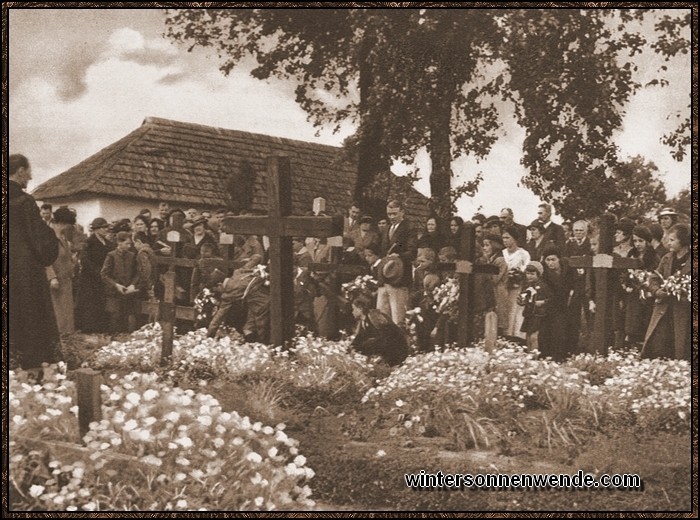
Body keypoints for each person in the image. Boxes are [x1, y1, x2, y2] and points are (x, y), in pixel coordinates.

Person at [9, 154, 61, 370]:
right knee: (30, 320)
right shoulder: (25, 201)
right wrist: (52, 234)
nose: (30, 177)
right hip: (24, 274)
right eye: (28, 171)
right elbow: (40, 242)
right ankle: (30, 368)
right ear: (20, 170)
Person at [641, 224, 691, 360]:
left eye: (672, 240)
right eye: (668, 240)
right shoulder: (667, 258)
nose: (668, 243)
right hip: (664, 308)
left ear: (683, 241)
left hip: (684, 310)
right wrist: (657, 291)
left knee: (682, 343)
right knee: (660, 343)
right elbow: (654, 278)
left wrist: (685, 290)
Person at [377, 199, 417, 327]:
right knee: (382, 316)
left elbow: (412, 252)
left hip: (400, 279)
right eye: (389, 214)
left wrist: (398, 256)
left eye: (394, 214)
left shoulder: (409, 228)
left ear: (402, 212)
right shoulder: (387, 228)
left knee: (398, 317)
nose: (391, 217)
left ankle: (400, 346)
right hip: (384, 278)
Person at [351, 294, 409, 367]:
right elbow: (360, 336)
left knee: (369, 344)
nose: (352, 312)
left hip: (397, 349)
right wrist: (352, 347)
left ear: (360, 308)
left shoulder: (374, 316)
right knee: (362, 345)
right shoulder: (364, 321)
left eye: (353, 309)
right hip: (389, 345)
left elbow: (388, 336)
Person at [46, 207, 78, 336]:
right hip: (56, 282)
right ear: (63, 223)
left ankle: (68, 340)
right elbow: (46, 259)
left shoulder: (63, 238)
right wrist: (52, 277)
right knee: (58, 314)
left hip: (66, 280)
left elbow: (65, 257)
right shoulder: (50, 236)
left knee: (67, 314)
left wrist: (73, 262)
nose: (70, 228)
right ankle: (60, 340)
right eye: (69, 225)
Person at [101, 231, 139, 334]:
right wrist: (116, 285)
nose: (129, 246)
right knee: (114, 317)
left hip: (128, 293)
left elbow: (137, 273)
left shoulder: (132, 256)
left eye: (130, 243)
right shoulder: (111, 255)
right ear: (119, 243)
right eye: (127, 243)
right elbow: (104, 275)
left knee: (128, 318)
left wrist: (132, 285)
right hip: (114, 293)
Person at [501, 226, 530, 341]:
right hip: (503, 288)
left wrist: (518, 275)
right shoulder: (502, 253)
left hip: (517, 287)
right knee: (505, 312)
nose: (505, 240)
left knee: (516, 311)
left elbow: (527, 270)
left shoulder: (523, 254)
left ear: (514, 238)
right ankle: (504, 336)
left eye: (507, 237)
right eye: (503, 238)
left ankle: (516, 338)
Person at [517, 261, 550, 352]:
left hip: (538, 314)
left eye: (532, 274)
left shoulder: (543, 286)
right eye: (527, 273)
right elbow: (522, 297)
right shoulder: (526, 286)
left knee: (534, 336)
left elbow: (551, 299)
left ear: (538, 274)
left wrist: (543, 302)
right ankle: (528, 354)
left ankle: (534, 354)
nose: (529, 276)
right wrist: (521, 300)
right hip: (529, 313)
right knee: (527, 335)